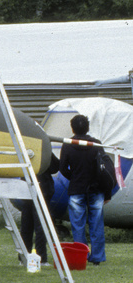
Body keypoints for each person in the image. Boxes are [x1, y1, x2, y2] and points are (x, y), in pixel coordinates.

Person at [59, 113, 106, 265]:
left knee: (78, 225)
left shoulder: (68, 144)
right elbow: (104, 167)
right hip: (96, 189)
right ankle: (97, 258)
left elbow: (62, 168)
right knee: (96, 223)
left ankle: (82, 255)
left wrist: (73, 177)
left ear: (72, 129)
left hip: (76, 188)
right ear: (88, 127)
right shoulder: (96, 144)